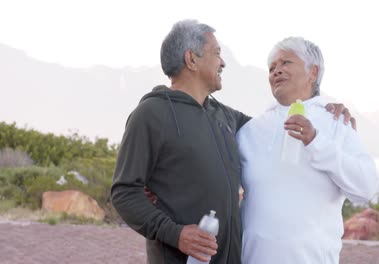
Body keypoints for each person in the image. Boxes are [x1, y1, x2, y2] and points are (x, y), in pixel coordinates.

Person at [111, 20, 355, 264]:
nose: (223, 62)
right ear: (191, 60)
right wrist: (176, 234)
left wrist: (320, 108)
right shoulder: (151, 114)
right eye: (216, 53)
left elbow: (275, 126)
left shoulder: (225, 116)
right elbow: (124, 192)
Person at [237, 37, 378, 264]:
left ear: (313, 72)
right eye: (272, 67)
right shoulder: (249, 131)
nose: (276, 71)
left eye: (285, 63)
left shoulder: (335, 123)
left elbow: (366, 187)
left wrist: (316, 142)